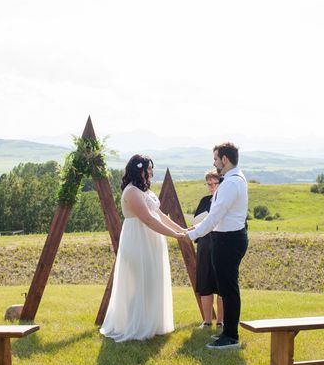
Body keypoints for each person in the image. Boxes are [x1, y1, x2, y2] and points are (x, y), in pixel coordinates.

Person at [100, 155, 186, 342]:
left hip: (151, 240)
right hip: (138, 241)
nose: (150, 172)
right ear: (137, 170)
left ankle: (150, 323)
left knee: (151, 281)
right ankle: (135, 325)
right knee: (140, 283)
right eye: (147, 169)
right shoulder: (131, 192)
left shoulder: (145, 191)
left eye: (150, 169)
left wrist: (181, 230)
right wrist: (173, 235)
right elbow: (147, 219)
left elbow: (159, 215)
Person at [186, 142, 248, 349]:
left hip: (228, 241)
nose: (214, 163)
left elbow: (214, 217)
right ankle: (227, 331)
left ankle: (230, 336)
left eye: (215, 159)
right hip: (227, 239)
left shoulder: (231, 184)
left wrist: (191, 234)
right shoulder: (232, 179)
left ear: (224, 159)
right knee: (226, 287)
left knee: (229, 289)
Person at [193, 170, 224, 329]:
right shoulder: (204, 201)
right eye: (209, 184)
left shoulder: (226, 200)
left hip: (221, 245)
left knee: (221, 285)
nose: (212, 187)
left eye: (215, 183)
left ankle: (220, 321)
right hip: (205, 245)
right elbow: (196, 222)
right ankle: (206, 321)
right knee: (205, 283)